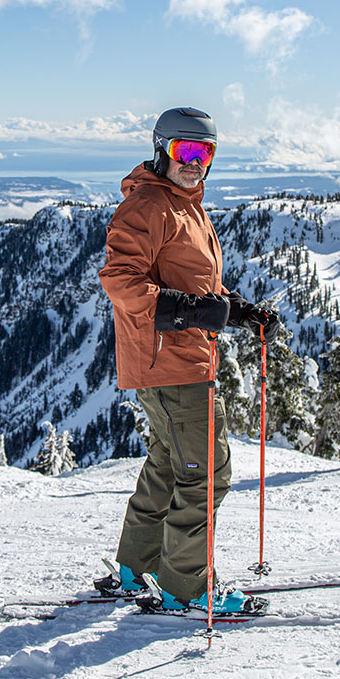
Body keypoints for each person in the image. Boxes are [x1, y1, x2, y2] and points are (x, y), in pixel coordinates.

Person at [96, 106, 276, 614]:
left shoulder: (186, 207)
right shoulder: (149, 206)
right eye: (184, 150)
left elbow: (199, 285)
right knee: (206, 471)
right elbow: (120, 280)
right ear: (162, 151)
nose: (195, 162)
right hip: (170, 363)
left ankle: (138, 564)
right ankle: (187, 586)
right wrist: (186, 310)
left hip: (178, 358)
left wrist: (237, 310)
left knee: (170, 463)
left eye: (205, 152)